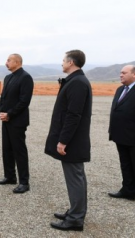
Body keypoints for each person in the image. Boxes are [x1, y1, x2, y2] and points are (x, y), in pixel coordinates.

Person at [44, 50, 92, 232]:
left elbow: (73, 115)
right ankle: (74, 211)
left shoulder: (78, 83)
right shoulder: (75, 80)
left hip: (73, 141)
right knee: (75, 177)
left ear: (71, 62)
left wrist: (63, 141)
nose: (62, 63)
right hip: (72, 140)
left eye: (63, 60)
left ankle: (75, 219)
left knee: (75, 178)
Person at [0, 54, 34, 194]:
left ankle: (24, 182)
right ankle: (10, 176)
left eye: (9, 60)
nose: (6, 63)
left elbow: (24, 101)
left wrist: (10, 114)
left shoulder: (25, 77)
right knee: (7, 149)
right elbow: (3, 97)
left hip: (17, 121)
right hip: (6, 119)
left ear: (17, 62)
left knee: (19, 151)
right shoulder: (8, 77)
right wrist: (1, 112)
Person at [108, 65, 135, 204]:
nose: (120, 75)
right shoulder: (120, 89)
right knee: (126, 164)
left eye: (124, 73)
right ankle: (128, 190)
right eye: (120, 73)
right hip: (121, 135)